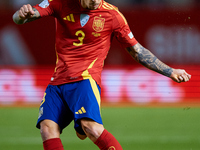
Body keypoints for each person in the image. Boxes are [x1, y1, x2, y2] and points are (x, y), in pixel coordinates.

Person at [13, 0, 191, 149]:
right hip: (58, 81)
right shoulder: (61, 3)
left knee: (90, 128)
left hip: (84, 79)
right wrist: (21, 15)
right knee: (47, 128)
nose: (96, 1)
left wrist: (170, 71)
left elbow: (137, 51)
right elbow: (20, 18)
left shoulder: (112, 15)